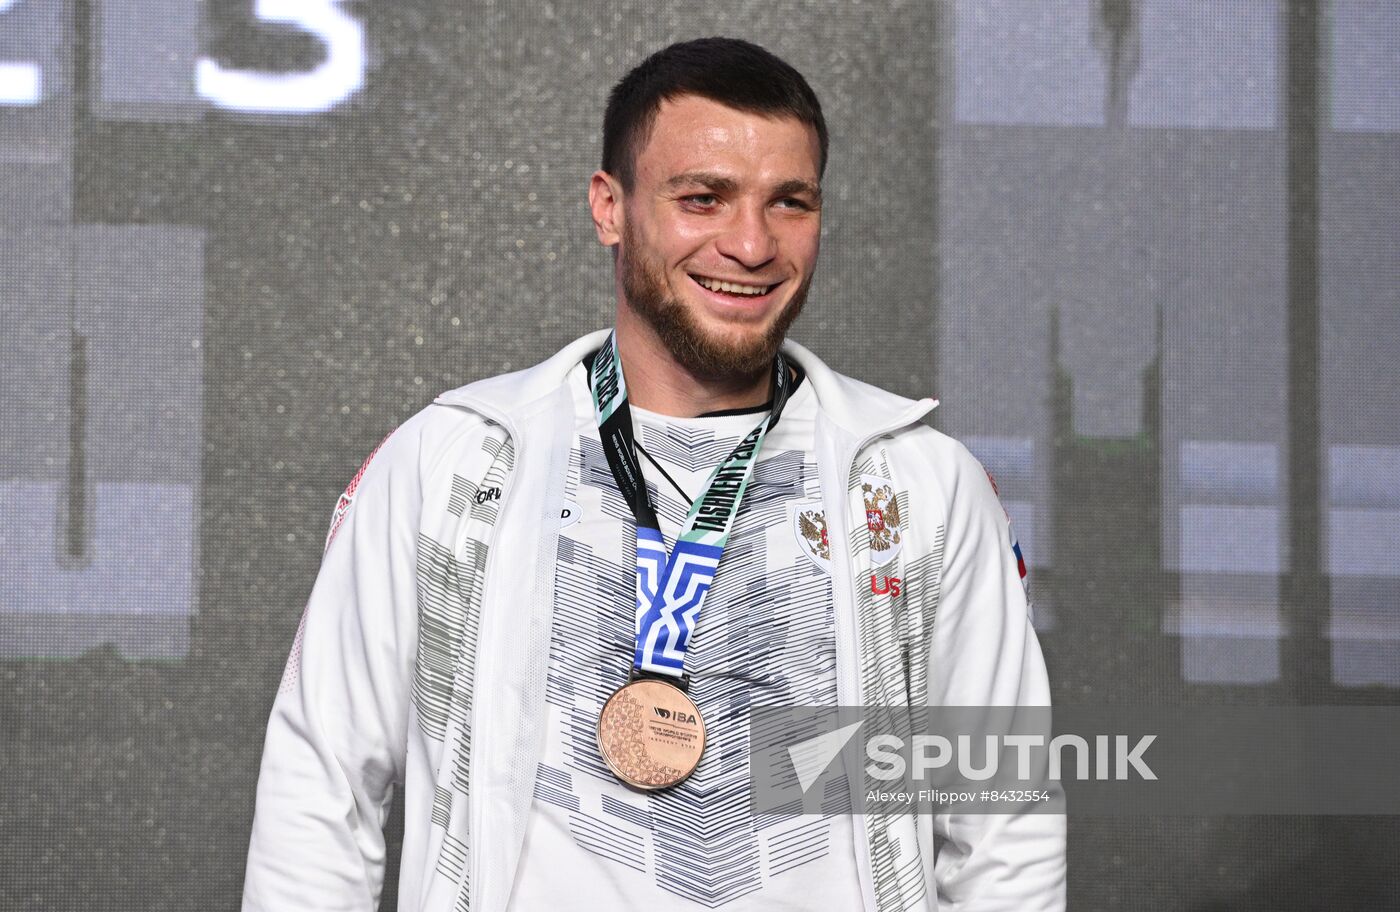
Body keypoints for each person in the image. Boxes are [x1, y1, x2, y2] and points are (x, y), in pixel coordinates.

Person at [242, 37, 1066, 912]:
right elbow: (321, 786)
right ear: (611, 208)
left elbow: (1003, 821)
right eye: (702, 199)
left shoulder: (923, 488)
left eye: (789, 202)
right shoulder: (447, 463)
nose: (751, 244)